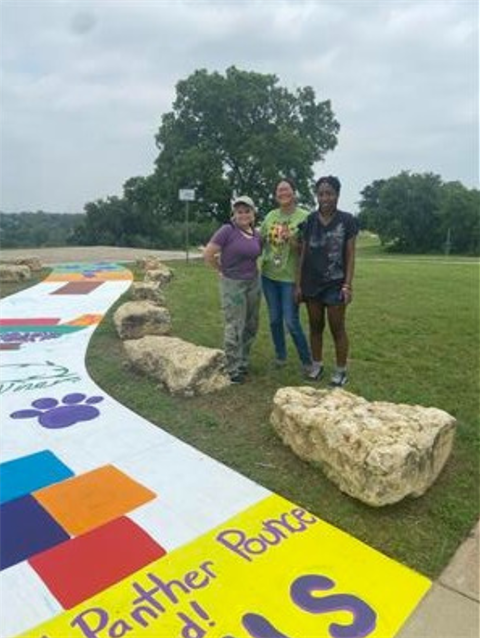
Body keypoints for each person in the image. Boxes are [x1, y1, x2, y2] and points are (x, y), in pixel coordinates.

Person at [296, 176, 358, 387]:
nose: (325, 198)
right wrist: (298, 284)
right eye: (321, 193)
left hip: (335, 283)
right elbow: (302, 254)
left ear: (337, 195)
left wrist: (347, 285)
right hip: (312, 283)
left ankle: (341, 370)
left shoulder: (347, 220)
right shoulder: (309, 221)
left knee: (337, 328)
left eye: (329, 193)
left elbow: (350, 255)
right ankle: (317, 365)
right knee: (315, 326)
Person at [204, 196, 262, 384]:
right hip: (233, 284)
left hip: (253, 281)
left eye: (247, 211)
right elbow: (209, 253)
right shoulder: (227, 230)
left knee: (251, 324)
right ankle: (232, 367)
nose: (243, 214)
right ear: (234, 214)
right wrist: (221, 269)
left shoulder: (256, 233)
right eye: (239, 211)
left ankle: (243, 361)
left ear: (253, 214)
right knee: (236, 324)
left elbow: (259, 252)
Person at [260, 178, 313, 375]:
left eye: (287, 189)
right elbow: (260, 240)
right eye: (279, 190)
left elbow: (309, 250)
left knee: (291, 321)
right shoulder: (271, 216)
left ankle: (307, 361)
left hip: (291, 279)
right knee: (274, 320)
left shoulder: (305, 217)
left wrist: (294, 243)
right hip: (268, 276)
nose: (283, 193)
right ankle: (281, 356)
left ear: (294, 192)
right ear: (276, 195)